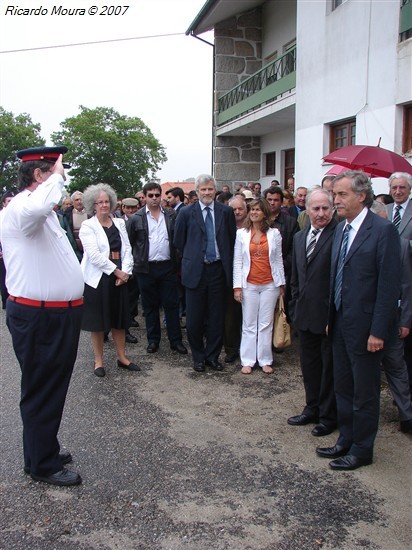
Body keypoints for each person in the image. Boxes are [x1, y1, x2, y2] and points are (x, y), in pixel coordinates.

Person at [0, 146, 84, 487]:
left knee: (49, 387)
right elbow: (38, 203)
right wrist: (57, 175)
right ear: (39, 175)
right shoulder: (22, 207)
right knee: (42, 389)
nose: (61, 178)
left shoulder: (39, 211)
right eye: (54, 171)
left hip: (55, 315)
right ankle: (41, 464)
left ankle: (40, 450)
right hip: (40, 316)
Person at [316, 170, 401, 471]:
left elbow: (388, 286)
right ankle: (346, 439)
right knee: (343, 386)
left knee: (365, 392)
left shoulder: (382, 231)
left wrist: (378, 330)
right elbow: (334, 276)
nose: (334, 200)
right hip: (340, 324)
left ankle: (363, 449)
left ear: (361, 196)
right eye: (334, 194)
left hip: (367, 329)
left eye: (341, 195)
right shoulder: (341, 229)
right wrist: (330, 318)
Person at [174, 174, 237, 372]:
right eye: (203, 190)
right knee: (194, 319)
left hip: (219, 270)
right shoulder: (185, 212)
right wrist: (193, 258)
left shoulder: (226, 212)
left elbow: (231, 238)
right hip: (196, 271)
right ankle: (198, 357)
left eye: (210, 189)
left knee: (217, 317)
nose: (207, 193)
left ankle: (212, 356)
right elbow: (178, 242)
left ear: (215, 190)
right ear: (197, 191)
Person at [288, 188, 337, 436]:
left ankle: (329, 417)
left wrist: (333, 316)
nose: (320, 214)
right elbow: (296, 278)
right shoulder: (300, 237)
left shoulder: (339, 235)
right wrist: (295, 307)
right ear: (307, 210)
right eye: (315, 209)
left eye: (325, 208)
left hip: (329, 318)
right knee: (309, 365)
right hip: (305, 314)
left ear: (332, 209)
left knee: (329, 369)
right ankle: (312, 408)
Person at [79, 183, 140, 377]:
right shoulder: (88, 226)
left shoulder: (120, 223)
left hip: (120, 278)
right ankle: (99, 361)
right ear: (93, 205)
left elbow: (128, 250)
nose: (104, 205)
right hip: (99, 280)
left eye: (107, 201)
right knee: (97, 323)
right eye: (100, 202)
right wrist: (117, 272)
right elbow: (94, 255)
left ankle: (122, 357)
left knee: (119, 320)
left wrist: (126, 273)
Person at [127, 181, 187, 355]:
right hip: (146, 269)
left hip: (168, 267)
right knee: (150, 306)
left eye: (157, 195)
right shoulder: (136, 218)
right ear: (144, 197)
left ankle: (176, 341)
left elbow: (177, 239)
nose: (154, 198)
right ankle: (153, 341)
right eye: (150, 195)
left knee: (172, 305)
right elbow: (130, 244)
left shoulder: (170, 215)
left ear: (161, 196)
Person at [233, 198, 285, 374]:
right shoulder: (241, 233)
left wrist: (281, 284)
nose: (254, 212)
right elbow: (238, 261)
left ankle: (264, 359)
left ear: (265, 213)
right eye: (252, 209)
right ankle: (247, 359)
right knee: (248, 323)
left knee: (266, 323)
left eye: (258, 209)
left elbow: (278, 260)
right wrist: (237, 287)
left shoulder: (274, 234)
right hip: (249, 283)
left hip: (270, 284)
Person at [386, 172, 412, 405]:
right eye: (394, 187)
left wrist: (404, 245)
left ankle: (406, 404)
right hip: (385, 283)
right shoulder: (384, 210)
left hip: (406, 278)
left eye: (402, 187)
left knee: (402, 355)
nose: (398, 191)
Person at [223, 197, 248, 363]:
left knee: (250, 317)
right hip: (229, 277)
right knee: (231, 317)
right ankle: (231, 349)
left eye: (240, 209)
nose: (237, 212)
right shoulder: (225, 228)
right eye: (234, 209)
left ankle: (250, 349)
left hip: (252, 277)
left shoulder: (253, 227)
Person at [60, 190, 88, 261]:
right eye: (76, 200)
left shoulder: (90, 214)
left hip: (88, 249)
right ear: (73, 202)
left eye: (81, 199)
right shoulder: (67, 215)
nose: (79, 201)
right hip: (73, 251)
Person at [0, 190, 14, 309]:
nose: (11, 203)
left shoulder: (16, 215)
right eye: (8, 201)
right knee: (4, 276)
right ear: (3, 203)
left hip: (15, 251)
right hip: (2, 252)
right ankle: (6, 300)